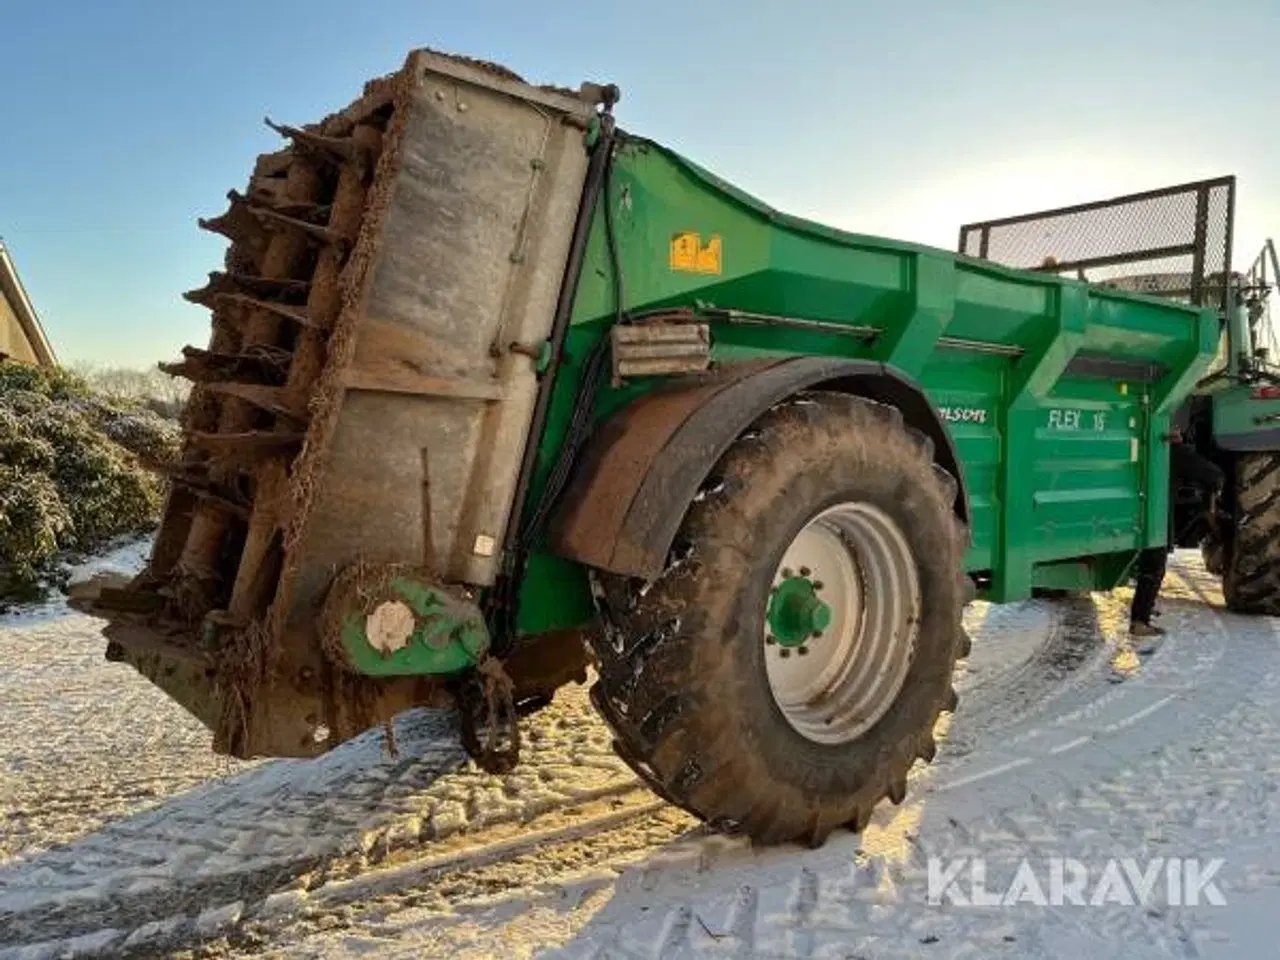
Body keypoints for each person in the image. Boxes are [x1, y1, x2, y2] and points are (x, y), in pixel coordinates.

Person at [1130, 432, 1225, 637]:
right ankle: (1140, 620)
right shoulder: (1175, 453)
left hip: (1130, 515)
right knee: (1153, 567)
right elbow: (1212, 474)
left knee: (1146, 565)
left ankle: (1144, 609)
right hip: (1156, 518)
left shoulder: (1139, 444)